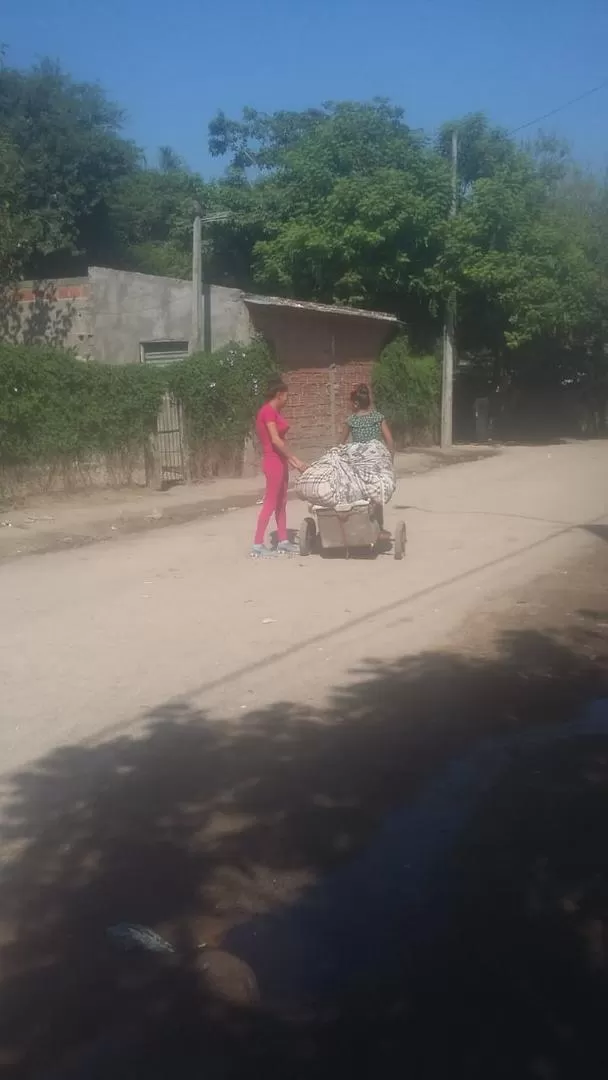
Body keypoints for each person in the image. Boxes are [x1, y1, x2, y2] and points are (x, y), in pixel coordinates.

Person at [252, 379, 306, 557]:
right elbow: (275, 440)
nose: (288, 399)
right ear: (279, 395)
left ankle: (283, 541)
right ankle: (258, 544)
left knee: (281, 502)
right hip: (273, 460)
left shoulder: (275, 412)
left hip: (280, 460)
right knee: (271, 501)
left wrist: (291, 462)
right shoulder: (268, 412)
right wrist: (295, 459)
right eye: (286, 396)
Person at [341, 383, 394, 537]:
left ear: (356, 404)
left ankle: (357, 527)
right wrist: (390, 462)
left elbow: (339, 444)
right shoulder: (378, 418)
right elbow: (390, 442)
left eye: (351, 402)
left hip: (357, 465)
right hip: (375, 464)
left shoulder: (351, 421)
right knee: (376, 494)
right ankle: (379, 526)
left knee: (358, 495)